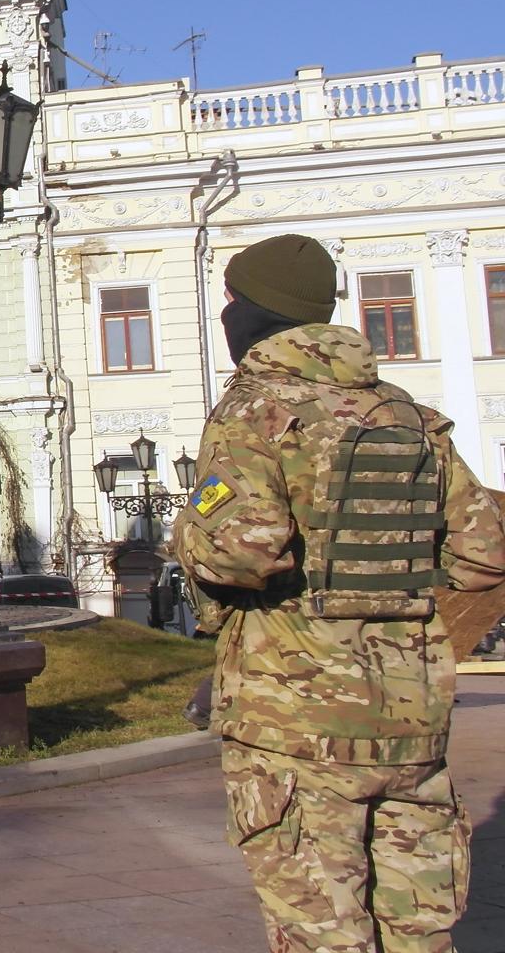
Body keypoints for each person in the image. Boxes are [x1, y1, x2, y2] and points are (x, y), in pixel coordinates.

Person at [176, 234, 505, 953]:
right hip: (411, 719)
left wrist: (189, 532)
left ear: (253, 310)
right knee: (421, 932)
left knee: (325, 933)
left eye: (232, 299)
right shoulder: (408, 416)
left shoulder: (254, 410)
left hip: (295, 722)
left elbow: (239, 549)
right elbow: (486, 552)